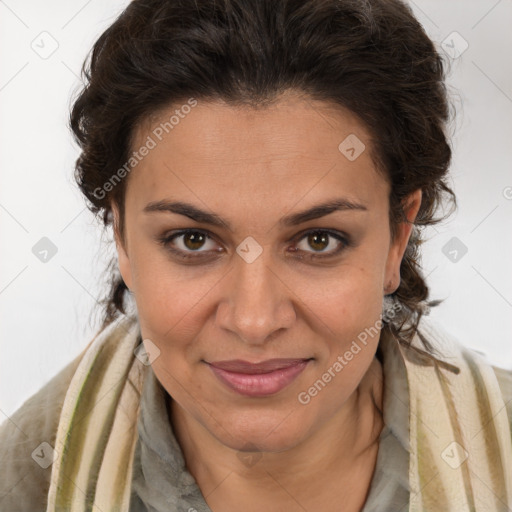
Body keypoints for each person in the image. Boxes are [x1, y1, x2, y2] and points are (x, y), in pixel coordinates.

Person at [1, 0, 511, 510]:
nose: (254, 320)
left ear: (397, 235)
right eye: (193, 240)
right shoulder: (24, 483)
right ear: (122, 238)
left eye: (319, 240)